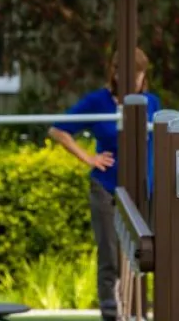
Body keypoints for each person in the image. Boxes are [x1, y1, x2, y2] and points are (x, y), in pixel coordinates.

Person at [48, 49, 161, 321]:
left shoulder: (151, 103)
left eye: (138, 73)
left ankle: (138, 312)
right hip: (107, 189)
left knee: (143, 254)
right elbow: (57, 130)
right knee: (110, 255)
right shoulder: (98, 102)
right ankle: (112, 314)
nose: (132, 79)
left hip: (142, 190)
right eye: (126, 73)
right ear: (115, 72)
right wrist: (89, 157)